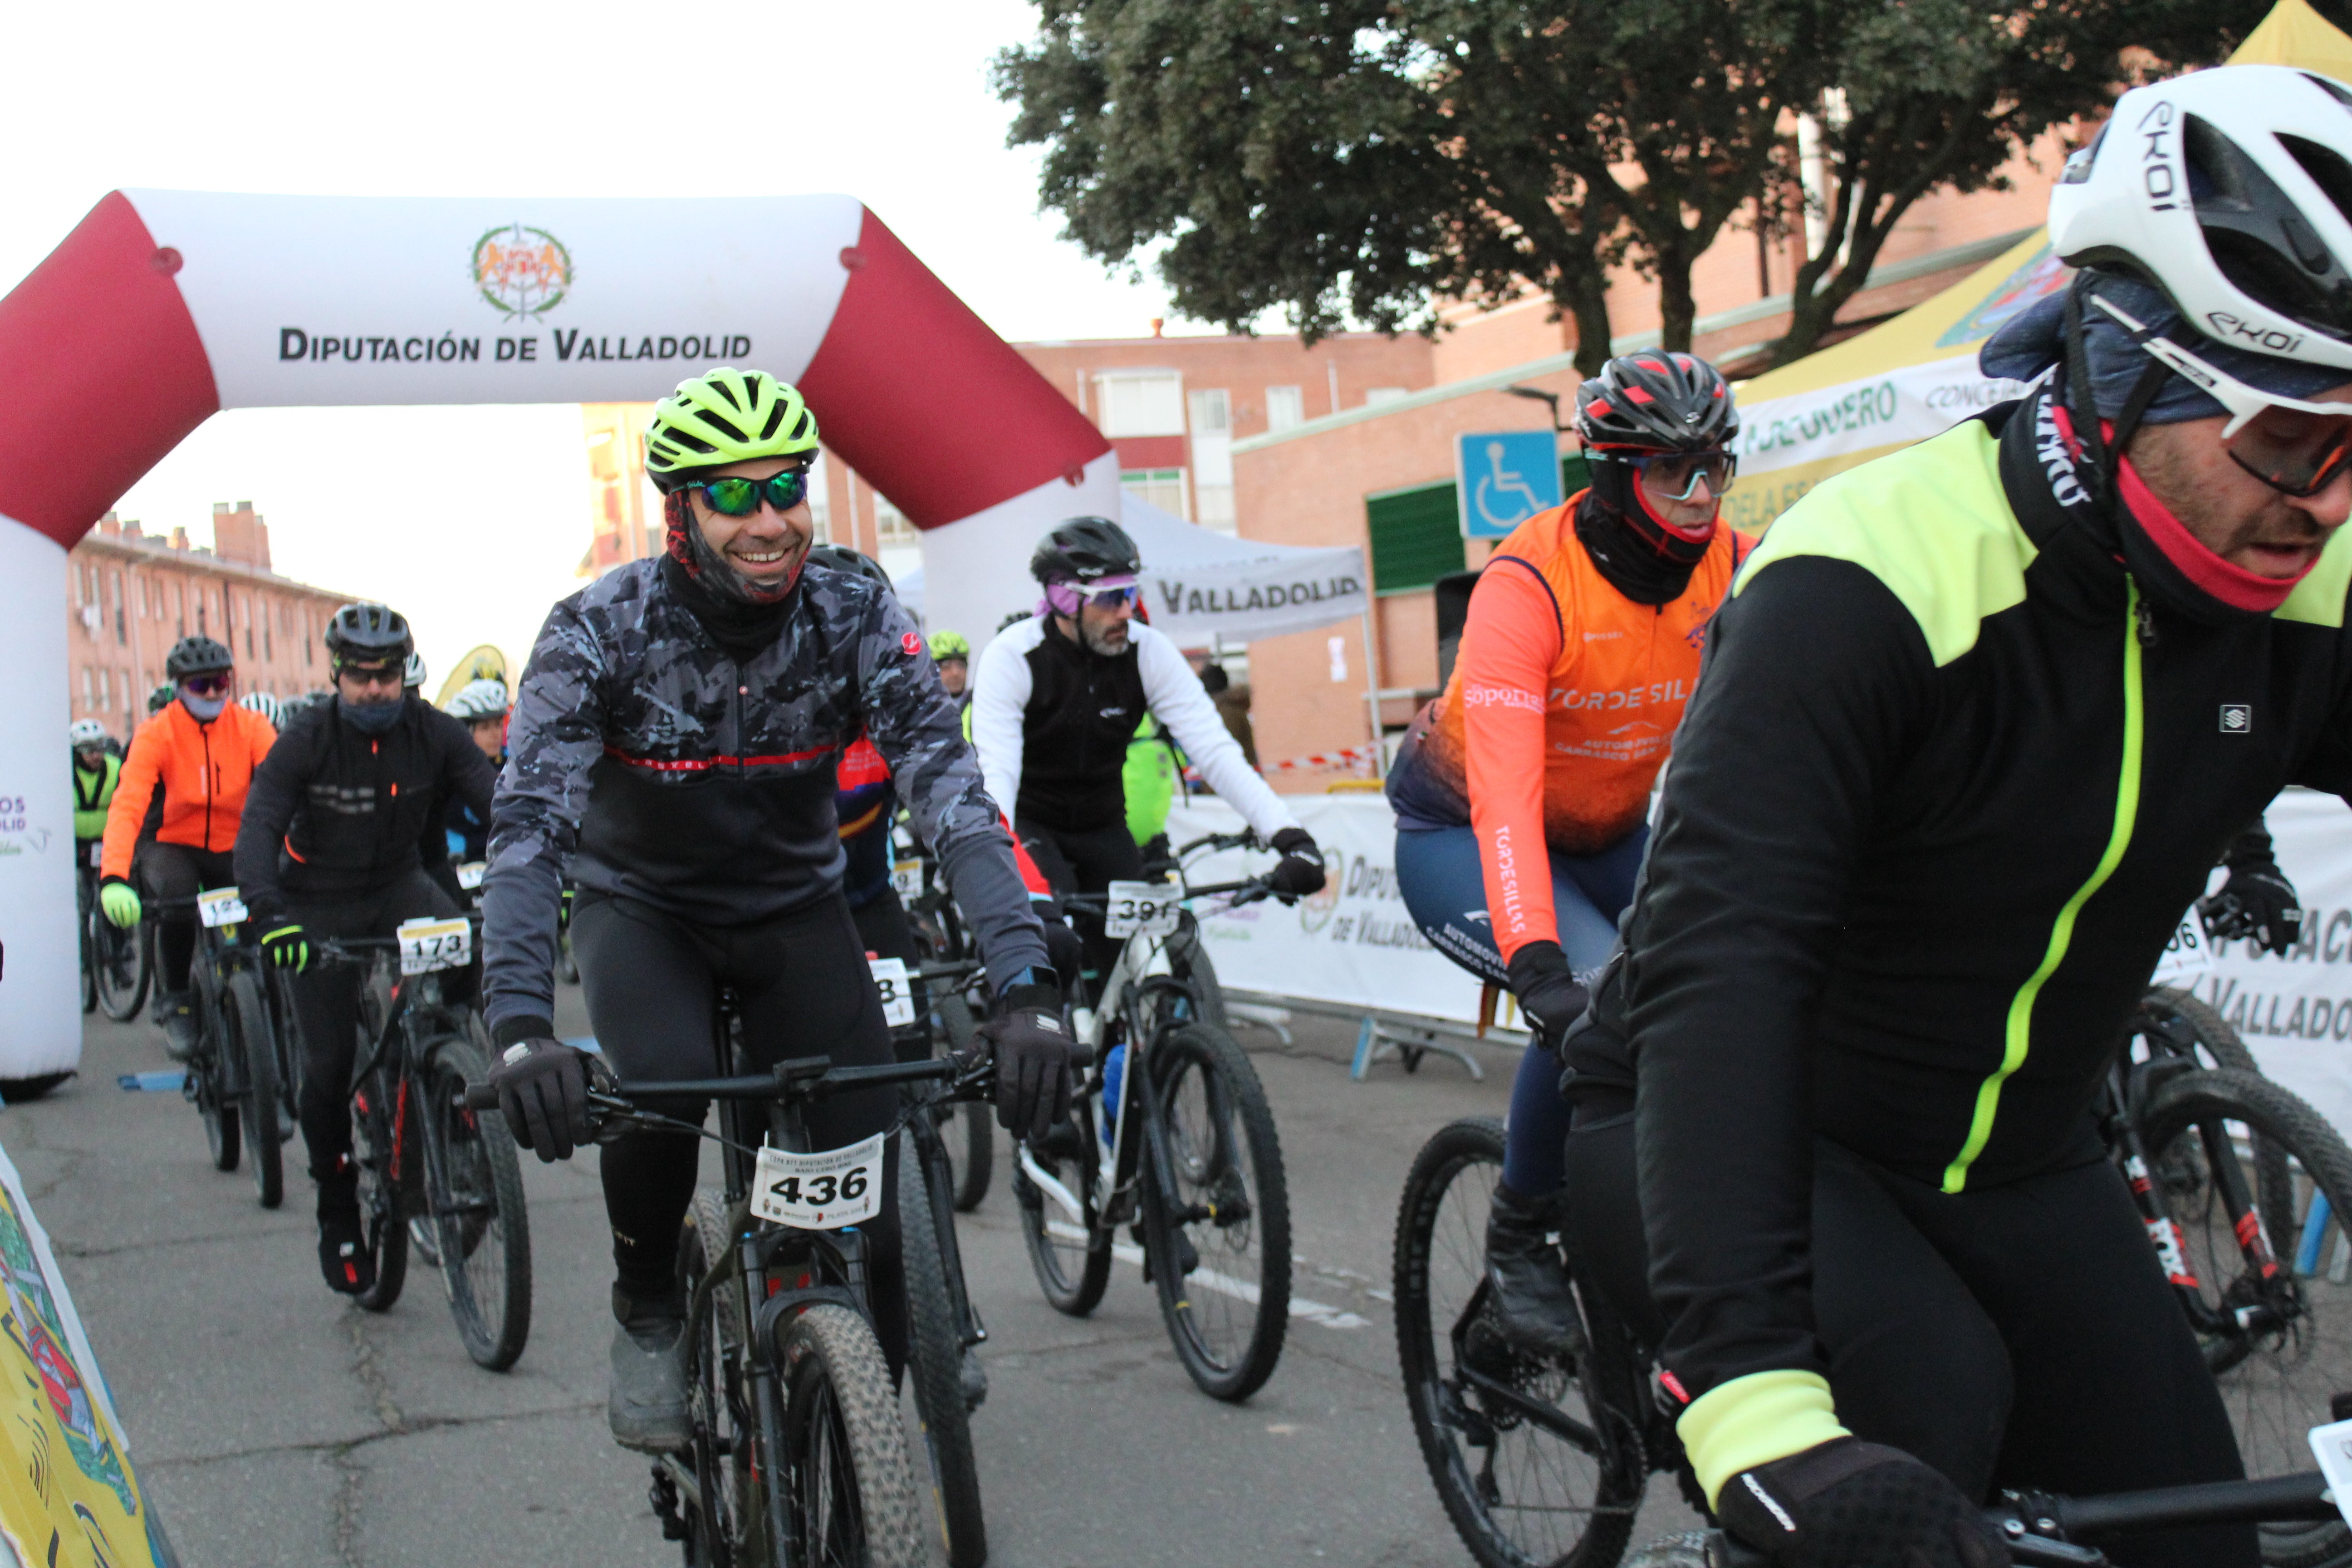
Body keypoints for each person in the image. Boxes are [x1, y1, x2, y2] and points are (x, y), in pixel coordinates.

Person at [1561, 64, 2352, 1568]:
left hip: (2020, 1159)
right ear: (2121, 374)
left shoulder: (2306, 585)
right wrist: (1747, 1400)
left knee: (2202, 1543)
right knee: (1921, 1421)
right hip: (1744, 1126)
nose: (2327, 501)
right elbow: (1725, 973)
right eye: (2292, 437)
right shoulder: (1866, 578)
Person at [473, 368, 1072, 1453]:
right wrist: (519, 1027)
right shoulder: (597, 631)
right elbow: (527, 834)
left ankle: (852, 1447)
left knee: (877, 1212)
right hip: (644, 914)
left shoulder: (852, 607)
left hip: (799, 913)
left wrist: (1025, 982)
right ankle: (648, 1300)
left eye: (787, 486)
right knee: (653, 1090)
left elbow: (950, 791)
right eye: (735, 496)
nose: (769, 520)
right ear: (681, 513)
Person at [1384, 350, 1750, 1355]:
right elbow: (1504, 790)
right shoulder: (1528, 583)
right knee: (1592, 1007)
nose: (1702, 495)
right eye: (1675, 472)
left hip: (1609, 840)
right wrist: (1538, 962)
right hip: (1464, 835)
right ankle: (1521, 1231)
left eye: (1717, 466)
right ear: (1615, 474)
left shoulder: (1735, 565)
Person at [232, 603, 496, 1297]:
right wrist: (270, 915)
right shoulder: (306, 739)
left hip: (399, 886)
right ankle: (337, 1201)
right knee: (330, 1064)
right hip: (315, 903)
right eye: (360, 676)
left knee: (471, 951)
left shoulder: (432, 732)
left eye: (387, 676)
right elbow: (258, 827)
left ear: (404, 673)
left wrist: (542, 869)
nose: (375, 690)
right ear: (337, 673)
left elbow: (502, 800)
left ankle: (448, 1084)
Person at [970, 516, 1327, 982]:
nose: (1127, 611)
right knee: (1049, 956)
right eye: (1112, 597)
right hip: (1033, 826)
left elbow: (1215, 752)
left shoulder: (1149, 652)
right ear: (1063, 598)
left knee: (1134, 970)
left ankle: (1133, 1047)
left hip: (1104, 826)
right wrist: (1019, 891)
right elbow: (997, 780)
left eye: (1132, 594)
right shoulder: (1014, 657)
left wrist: (1291, 839)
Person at [97, 637, 278, 1059]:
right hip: (173, 842)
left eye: (220, 682)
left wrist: (297, 857)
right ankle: (176, 999)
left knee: (262, 902)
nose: (213, 693)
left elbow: (281, 794)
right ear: (179, 689)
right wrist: (112, 878)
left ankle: (263, 1003)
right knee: (176, 899)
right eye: (201, 686)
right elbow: (128, 806)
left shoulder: (252, 728)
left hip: (235, 844)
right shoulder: (156, 734)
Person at [69, 720, 119, 850]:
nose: (96, 755)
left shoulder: (116, 769)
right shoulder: (65, 774)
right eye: (89, 750)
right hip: (73, 845)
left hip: (110, 843)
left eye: (100, 748)